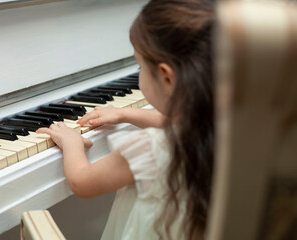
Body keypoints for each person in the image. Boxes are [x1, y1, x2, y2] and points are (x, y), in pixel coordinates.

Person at [37, 0, 214, 239]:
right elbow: (173, 122)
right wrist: (125, 113)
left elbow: (83, 182)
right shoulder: (222, 126)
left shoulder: (152, 147)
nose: (139, 73)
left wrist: (71, 143)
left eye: (139, 66)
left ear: (167, 78)